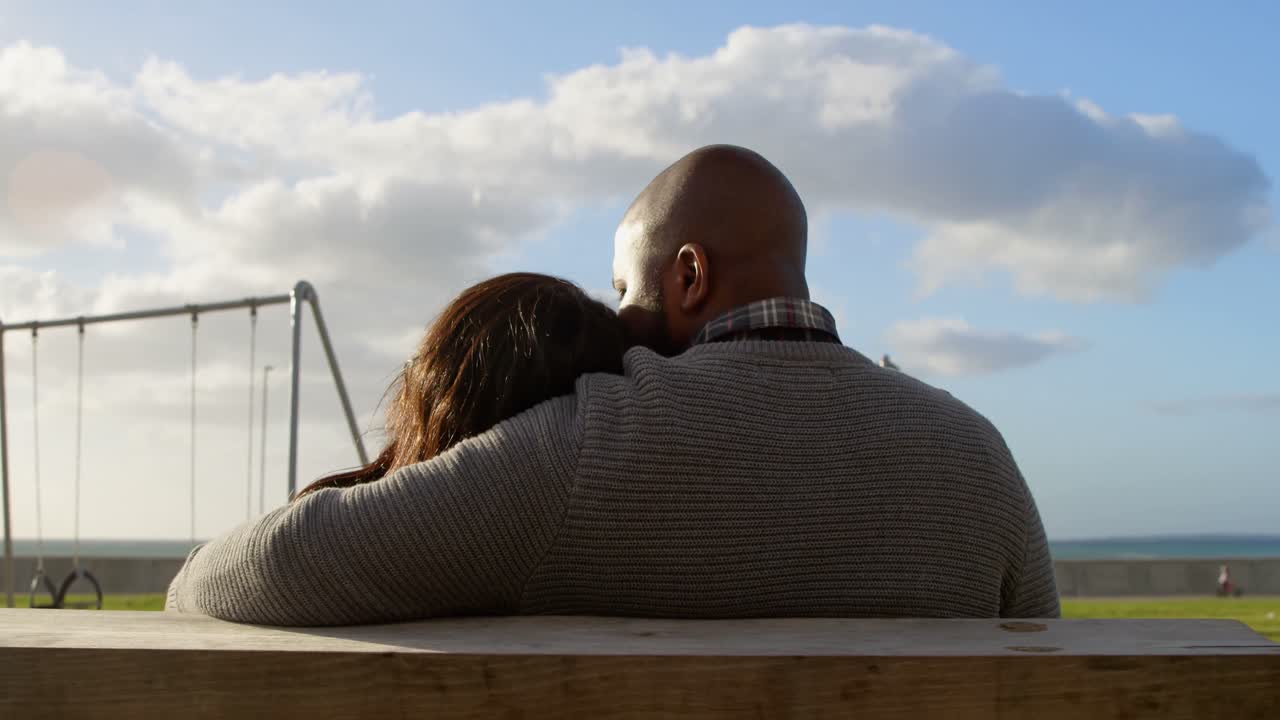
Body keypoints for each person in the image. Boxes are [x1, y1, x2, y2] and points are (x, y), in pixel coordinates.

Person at [167, 144, 1060, 626]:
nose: (620, 316)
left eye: (627, 288)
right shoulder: (978, 454)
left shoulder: (590, 447)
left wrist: (186, 579)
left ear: (689, 277)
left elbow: (267, 572)